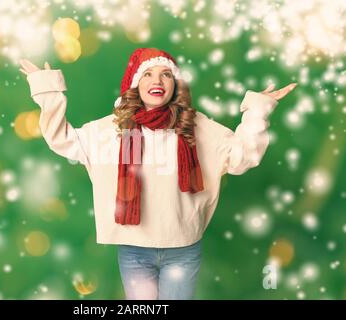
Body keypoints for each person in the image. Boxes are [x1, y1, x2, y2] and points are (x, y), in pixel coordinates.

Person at [19, 47, 297, 300]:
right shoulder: (112, 130)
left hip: (183, 249)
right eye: (148, 74)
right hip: (134, 248)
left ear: (175, 84)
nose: (157, 80)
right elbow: (63, 139)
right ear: (135, 83)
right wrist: (49, 94)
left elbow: (241, 157)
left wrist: (257, 112)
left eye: (166, 74)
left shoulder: (195, 126)